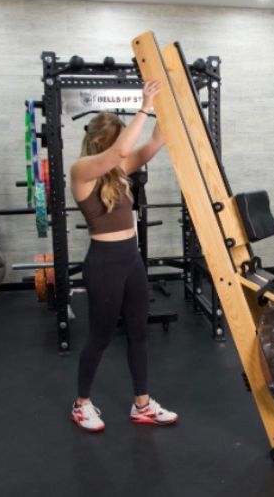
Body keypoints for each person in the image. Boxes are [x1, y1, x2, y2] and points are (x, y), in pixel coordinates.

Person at [69, 80, 177, 432]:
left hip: (131, 258)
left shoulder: (117, 170)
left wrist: (167, 103)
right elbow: (119, 152)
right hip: (104, 263)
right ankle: (81, 403)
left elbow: (155, 142)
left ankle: (142, 405)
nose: (121, 146)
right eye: (116, 139)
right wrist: (143, 105)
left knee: (138, 332)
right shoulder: (82, 170)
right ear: (103, 141)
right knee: (100, 336)